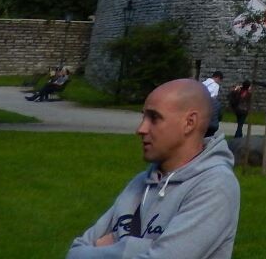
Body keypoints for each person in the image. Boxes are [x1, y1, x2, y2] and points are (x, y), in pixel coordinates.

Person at [67, 78, 239, 257]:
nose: (141, 129)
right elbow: (75, 252)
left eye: (154, 118)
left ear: (189, 122)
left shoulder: (215, 186)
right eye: (143, 117)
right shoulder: (141, 183)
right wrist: (145, 248)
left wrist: (123, 245)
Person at [202, 70, 224, 137]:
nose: (219, 82)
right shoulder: (215, 85)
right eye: (220, 80)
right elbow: (213, 98)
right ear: (217, 78)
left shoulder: (203, 83)